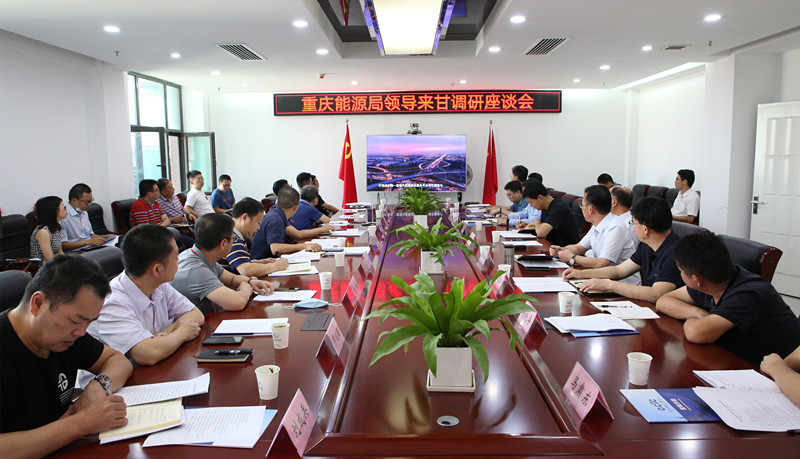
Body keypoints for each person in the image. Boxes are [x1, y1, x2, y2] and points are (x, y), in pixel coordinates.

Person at [0, 254, 132, 457]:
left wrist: (99, 386)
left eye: (89, 322)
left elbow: (117, 360)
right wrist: (82, 423)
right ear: (38, 303)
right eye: (75, 320)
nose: (81, 332)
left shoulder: (67, 336)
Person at [655, 232, 800, 366]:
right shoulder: (713, 279)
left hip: (782, 370)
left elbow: (695, 333)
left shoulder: (748, 294)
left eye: (680, 271)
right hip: (741, 360)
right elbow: (663, 301)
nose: (681, 274)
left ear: (695, 279)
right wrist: (697, 313)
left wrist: (696, 321)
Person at [87, 225, 204, 366]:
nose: (178, 261)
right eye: (175, 257)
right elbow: (148, 354)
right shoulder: (112, 303)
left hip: (157, 365)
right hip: (116, 377)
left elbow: (196, 314)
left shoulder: (158, 285)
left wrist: (164, 334)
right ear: (157, 269)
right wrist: (182, 332)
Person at [563, 197, 683, 303]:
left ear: (645, 229)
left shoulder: (675, 253)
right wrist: (580, 274)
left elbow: (656, 294)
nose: (633, 227)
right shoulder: (648, 245)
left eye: (633, 223)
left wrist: (609, 285)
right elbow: (619, 270)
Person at [170, 213, 274, 312]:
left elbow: (232, 279)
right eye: (233, 238)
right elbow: (237, 302)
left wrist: (251, 281)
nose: (233, 242)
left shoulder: (202, 256)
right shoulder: (195, 269)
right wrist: (246, 287)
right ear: (223, 243)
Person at [549, 185, 639, 284]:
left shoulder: (616, 227)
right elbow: (579, 247)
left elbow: (602, 263)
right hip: (602, 279)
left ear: (590, 209)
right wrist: (561, 250)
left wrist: (572, 257)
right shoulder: (598, 223)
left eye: (582, 205)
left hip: (622, 284)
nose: (581, 208)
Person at [220, 198, 290, 276]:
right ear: (245, 217)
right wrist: (276, 266)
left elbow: (240, 264)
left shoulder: (232, 233)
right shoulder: (232, 238)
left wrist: (260, 262)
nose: (258, 228)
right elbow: (245, 270)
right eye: (258, 222)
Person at [251, 187, 323, 259]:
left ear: (277, 203)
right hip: (263, 262)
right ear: (296, 207)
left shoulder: (277, 215)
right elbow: (275, 249)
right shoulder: (276, 220)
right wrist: (305, 246)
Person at [520, 181, 579, 246]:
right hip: (552, 245)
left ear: (540, 197)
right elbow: (544, 225)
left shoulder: (559, 207)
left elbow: (541, 233)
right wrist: (528, 225)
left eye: (531, 202)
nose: (531, 206)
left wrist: (536, 222)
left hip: (566, 248)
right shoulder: (545, 206)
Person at [60, 183, 116, 251]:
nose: (89, 204)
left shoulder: (84, 212)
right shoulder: (63, 216)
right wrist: (88, 242)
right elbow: (63, 245)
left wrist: (105, 237)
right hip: (76, 252)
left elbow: (90, 235)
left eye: (91, 201)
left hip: (90, 248)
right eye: (87, 202)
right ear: (74, 200)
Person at [30, 196, 66, 262]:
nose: (65, 209)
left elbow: (60, 252)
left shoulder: (55, 227)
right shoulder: (43, 232)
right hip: (43, 266)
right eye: (63, 206)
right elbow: (49, 259)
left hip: (55, 263)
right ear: (54, 210)